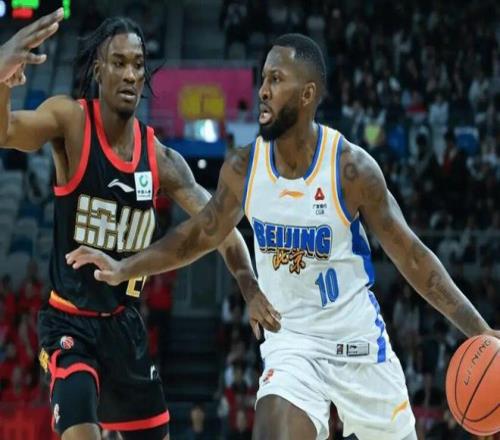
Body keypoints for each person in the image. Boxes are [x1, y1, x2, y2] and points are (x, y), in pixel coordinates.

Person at [67, 34, 500, 440]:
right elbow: (197, 236)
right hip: (292, 343)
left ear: (307, 94)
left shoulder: (351, 170)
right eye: (263, 79)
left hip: (359, 344)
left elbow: (414, 259)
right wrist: (126, 266)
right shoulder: (244, 169)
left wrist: (481, 332)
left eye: (276, 79)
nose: (262, 91)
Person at [0, 12, 280, 440]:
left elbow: (220, 227)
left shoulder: (161, 159)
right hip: (69, 324)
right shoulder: (71, 122)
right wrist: (1, 78)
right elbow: (6, 132)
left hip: (125, 326)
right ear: (99, 69)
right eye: (119, 63)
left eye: (138, 64)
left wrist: (249, 284)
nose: (130, 74)